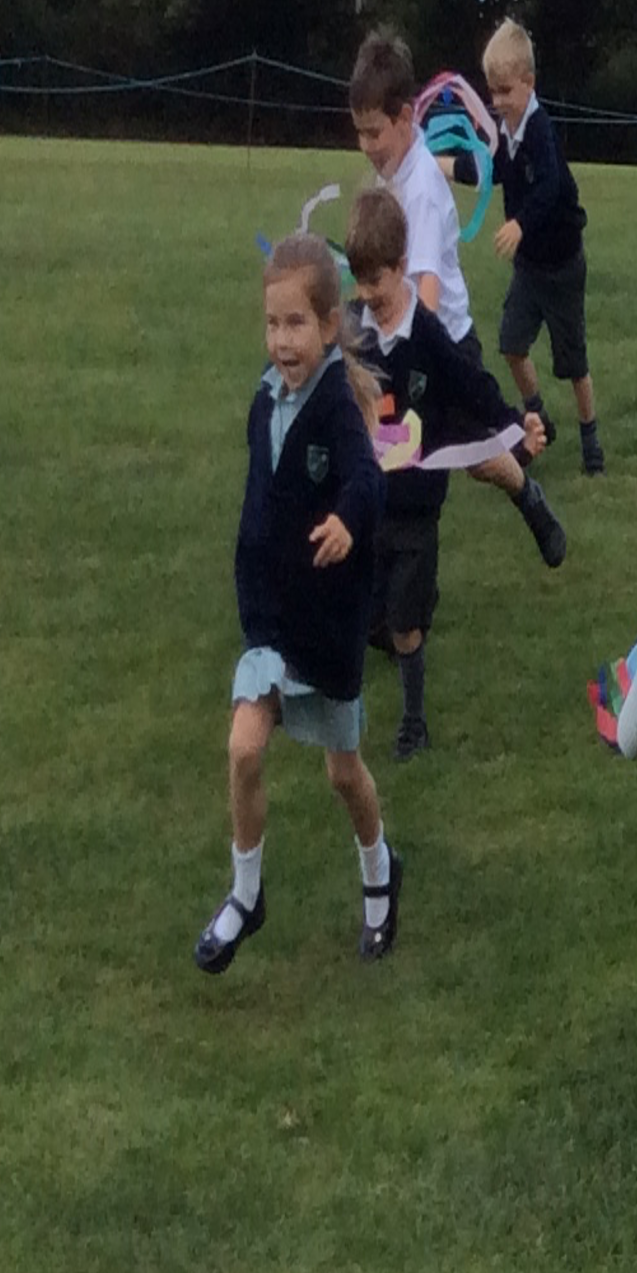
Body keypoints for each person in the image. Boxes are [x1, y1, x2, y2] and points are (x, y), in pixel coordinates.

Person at [192, 235, 404, 972]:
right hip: (270, 621)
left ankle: (380, 871)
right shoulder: (265, 399)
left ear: (328, 326)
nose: (282, 341)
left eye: (295, 325)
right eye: (271, 324)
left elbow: (367, 481)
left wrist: (346, 520)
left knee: (344, 774)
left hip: (325, 627)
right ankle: (246, 895)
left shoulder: (338, 407)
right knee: (243, 748)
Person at [349, 31, 568, 569]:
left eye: (375, 133)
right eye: (359, 133)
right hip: (400, 335)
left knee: (475, 457)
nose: (367, 145)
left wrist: (398, 361)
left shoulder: (421, 191)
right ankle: (386, 572)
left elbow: (423, 294)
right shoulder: (393, 171)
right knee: (387, 447)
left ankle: (528, 498)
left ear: (405, 118)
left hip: (439, 343)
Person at [341, 192, 548, 760]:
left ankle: (414, 721)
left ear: (402, 267)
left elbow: (471, 386)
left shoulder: (427, 332)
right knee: (368, 612)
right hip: (368, 501)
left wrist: (516, 426)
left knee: (406, 625)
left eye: (376, 281)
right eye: (358, 280)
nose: (366, 294)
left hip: (416, 503)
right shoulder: (352, 328)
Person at [475, 18, 605, 475]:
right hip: (530, 268)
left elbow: (550, 186)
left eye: (505, 91)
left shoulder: (539, 129)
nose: (497, 102)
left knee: (574, 363)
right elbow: (489, 172)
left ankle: (591, 439)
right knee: (511, 344)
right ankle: (538, 416)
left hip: (562, 266)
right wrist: (436, 163)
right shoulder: (506, 135)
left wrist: (519, 225)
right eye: (492, 92)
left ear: (528, 84)